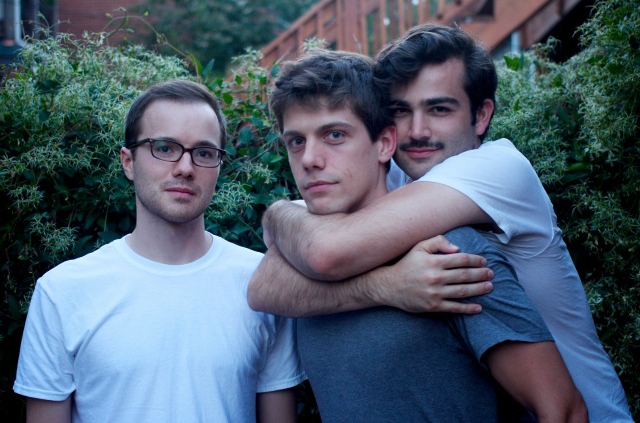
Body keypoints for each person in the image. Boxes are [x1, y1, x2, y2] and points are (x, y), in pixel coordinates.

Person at [250, 25, 633, 422]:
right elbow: (264, 288)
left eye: (439, 109)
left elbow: (325, 250)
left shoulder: (497, 171)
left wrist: (284, 219)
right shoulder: (392, 183)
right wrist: (383, 283)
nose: (416, 132)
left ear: (481, 115)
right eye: (401, 111)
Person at [13, 79, 306, 423]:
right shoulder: (63, 291)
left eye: (204, 153)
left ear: (219, 166)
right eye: (164, 148)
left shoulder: (262, 282)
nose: (185, 168)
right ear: (128, 162)